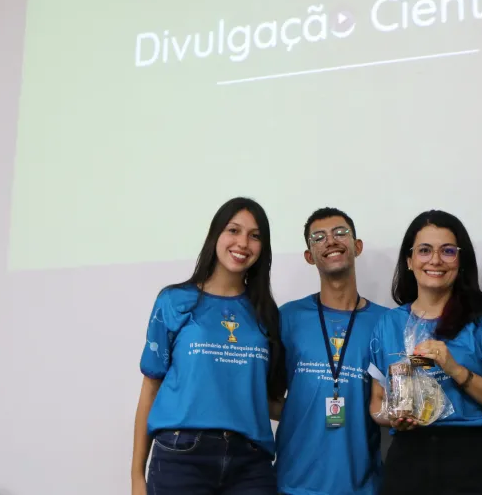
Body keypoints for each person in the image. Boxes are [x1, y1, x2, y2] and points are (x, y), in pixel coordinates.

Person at [131, 197, 284, 495]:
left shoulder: (267, 314)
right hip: (182, 457)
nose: (243, 243)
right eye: (234, 230)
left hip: (251, 464)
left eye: (255, 236)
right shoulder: (174, 301)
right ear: (215, 234)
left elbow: (268, 400)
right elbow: (151, 387)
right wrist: (137, 477)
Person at [367, 210, 482, 495]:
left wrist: (456, 369)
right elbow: (377, 403)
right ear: (409, 261)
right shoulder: (389, 324)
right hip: (409, 458)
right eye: (424, 250)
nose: (435, 260)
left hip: (473, 459)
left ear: (461, 261)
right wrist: (396, 417)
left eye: (447, 251)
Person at [273, 208, 388, 495]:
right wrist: (302, 408)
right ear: (309, 256)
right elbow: (262, 396)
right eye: (319, 237)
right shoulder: (287, 319)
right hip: (294, 484)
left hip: (362, 486)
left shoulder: (388, 322)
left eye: (340, 233)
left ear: (357, 246)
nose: (331, 241)